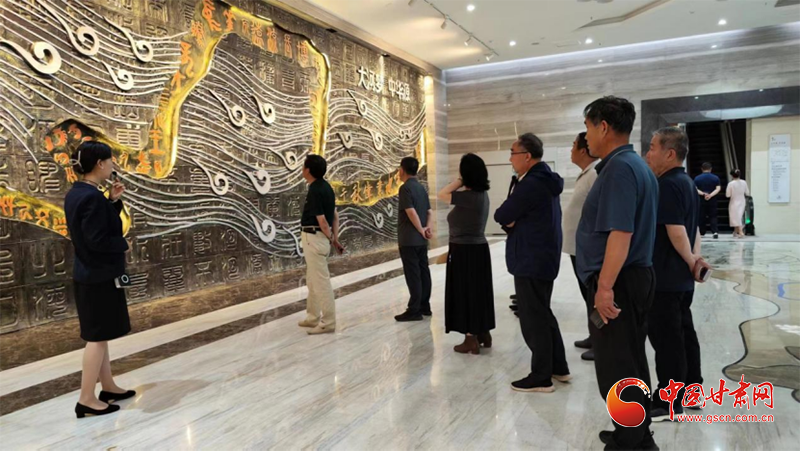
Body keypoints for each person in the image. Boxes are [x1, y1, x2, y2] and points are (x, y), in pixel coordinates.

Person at [575, 96, 659, 450]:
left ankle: (629, 440)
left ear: (604, 127)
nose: (586, 136)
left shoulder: (620, 169)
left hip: (620, 280)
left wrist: (605, 287)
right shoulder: (634, 165)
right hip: (632, 276)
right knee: (631, 359)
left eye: (588, 127)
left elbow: (620, 233)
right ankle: (638, 435)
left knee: (616, 367)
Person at [65, 141, 136, 418]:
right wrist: (123, 245)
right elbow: (97, 239)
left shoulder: (80, 192)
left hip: (90, 274)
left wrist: (112, 201)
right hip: (98, 276)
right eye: (110, 160)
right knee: (96, 338)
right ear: (100, 164)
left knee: (101, 334)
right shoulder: (91, 197)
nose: (112, 165)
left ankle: (107, 387)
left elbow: (93, 226)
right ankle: (86, 398)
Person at [645, 127, 711, 422]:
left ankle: (668, 400)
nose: (648, 153)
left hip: (666, 277)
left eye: (652, 147)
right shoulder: (687, 182)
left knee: (667, 340)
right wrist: (694, 259)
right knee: (684, 333)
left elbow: (676, 230)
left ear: (670, 153)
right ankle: (693, 390)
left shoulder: (667, 184)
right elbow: (693, 228)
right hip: (680, 278)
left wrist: (689, 259)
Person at [494, 133, 569, 393]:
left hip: (531, 258)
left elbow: (502, 214)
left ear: (527, 156)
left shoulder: (531, 183)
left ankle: (541, 376)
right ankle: (558, 367)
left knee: (532, 318)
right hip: (543, 256)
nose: (510, 159)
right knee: (542, 313)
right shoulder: (546, 180)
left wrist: (512, 220)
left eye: (513, 153)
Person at [438, 153, 494, 354]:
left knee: (465, 294)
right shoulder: (481, 195)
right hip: (477, 250)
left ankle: (470, 338)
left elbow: (442, 194)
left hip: (464, 252)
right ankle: (482, 332)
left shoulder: (468, 197)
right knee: (478, 293)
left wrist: (460, 180)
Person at [562, 132, 599, 362]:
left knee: (593, 297)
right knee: (588, 296)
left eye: (574, 145)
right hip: (578, 248)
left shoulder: (595, 173)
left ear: (583, 150)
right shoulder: (586, 173)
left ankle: (601, 342)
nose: (571, 150)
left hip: (587, 248)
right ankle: (594, 335)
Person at [298, 154, 344, 335]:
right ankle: (312, 317)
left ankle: (328, 322)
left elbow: (323, 221)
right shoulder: (327, 188)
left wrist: (331, 237)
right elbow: (335, 216)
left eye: (304, 166)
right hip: (319, 239)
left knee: (320, 283)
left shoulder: (315, 190)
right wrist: (335, 239)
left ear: (308, 170)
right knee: (312, 280)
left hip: (314, 237)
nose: (302, 170)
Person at [395, 157, 433, 322]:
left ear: (402, 170)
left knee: (413, 274)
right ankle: (425, 306)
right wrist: (427, 229)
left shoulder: (405, 188)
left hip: (409, 239)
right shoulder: (421, 188)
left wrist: (420, 229)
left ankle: (414, 310)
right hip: (422, 240)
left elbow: (410, 212)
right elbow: (429, 212)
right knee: (423, 271)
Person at [694, 162, 721, 239]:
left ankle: (702, 232)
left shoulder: (697, 178)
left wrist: (703, 194)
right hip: (712, 200)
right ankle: (715, 231)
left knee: (701, 216)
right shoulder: (715, 178)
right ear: (711, 169)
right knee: (713, 216)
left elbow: (695, 189)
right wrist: (710, 195)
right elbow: (718, 188)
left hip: (701, 200)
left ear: (702, 169)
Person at [726, 169, 750, 238]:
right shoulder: (744, 182)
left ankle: (740, 231)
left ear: (732, 175)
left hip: (734, 201)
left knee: (735, 217)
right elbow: (747, 192)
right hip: (742, 201)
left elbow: (728, 195)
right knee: (739, 216)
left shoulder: (731, 184)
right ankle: (735, 232)